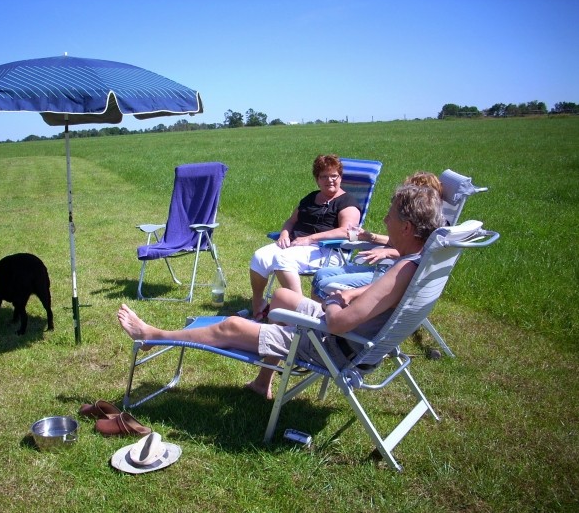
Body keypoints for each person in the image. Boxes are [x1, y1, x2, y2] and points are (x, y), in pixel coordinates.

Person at [118, 184, 444, 400]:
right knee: (283, 298)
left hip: (333, 346)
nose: (384, 220)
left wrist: (333, 297)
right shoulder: (417, 262)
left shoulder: (403, 269)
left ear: (406, 228)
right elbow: (378, 297)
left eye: (391, 216)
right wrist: (350, 294)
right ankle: (263, 383)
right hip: (355, 339)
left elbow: (337, 323)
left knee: (230, 326)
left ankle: (153, 335)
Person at [249, 155, 361, 320]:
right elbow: (291, 221)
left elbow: (347, 231)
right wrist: (284, 233)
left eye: (334, 176)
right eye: (324, 176)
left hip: (327, 249)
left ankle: (301, 314)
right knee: (260, 257)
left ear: (340, 177)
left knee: (282, 258)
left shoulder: (347, 202)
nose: (329, 180)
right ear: (317, 179)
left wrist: (310, 239)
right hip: (297, 245)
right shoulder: (311, 198)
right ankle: (259, 304)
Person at [311, 172, 444, 300]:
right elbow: (408, 245)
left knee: (323, 285)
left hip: (392, 272)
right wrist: (371, 237)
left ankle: (321, 316)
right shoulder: (418, 224)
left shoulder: (432, 228)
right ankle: (320, 315)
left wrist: (388, 253)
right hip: (388, 268)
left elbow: (418, 255)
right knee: (320, 275)